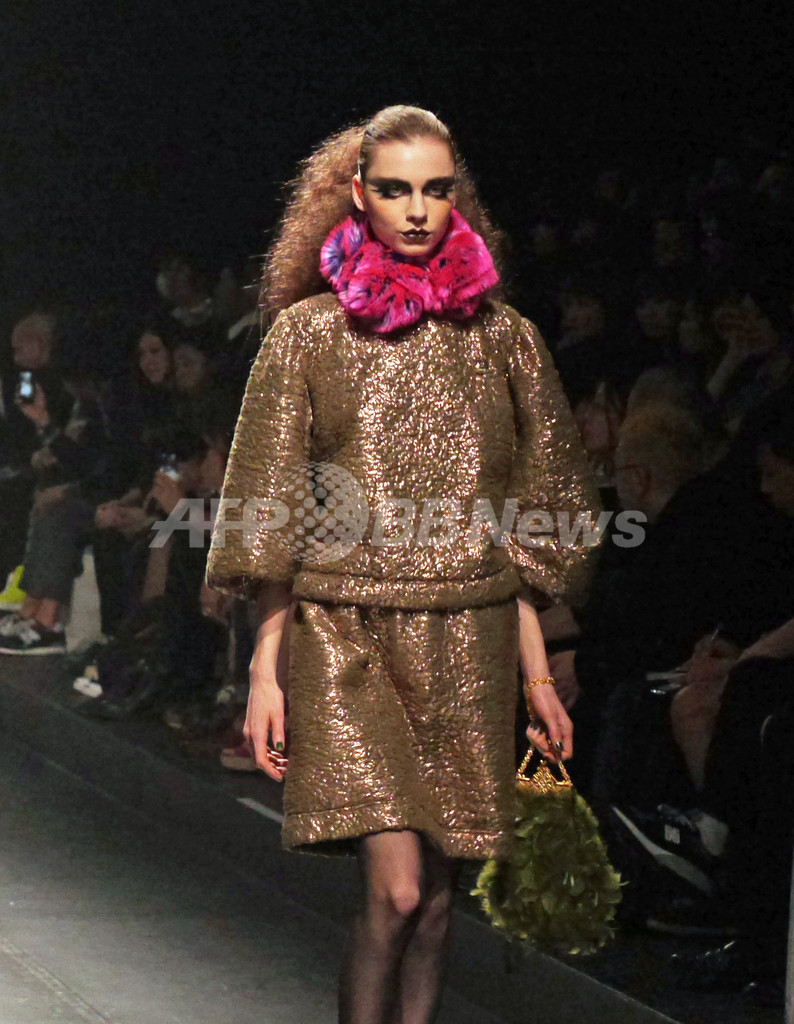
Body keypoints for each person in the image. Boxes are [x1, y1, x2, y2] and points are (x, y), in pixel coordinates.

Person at [206, 105, 599, 1024]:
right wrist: (264, 673)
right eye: (394, 189)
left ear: (457, 195)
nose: (417, 210)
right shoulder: (308, 335)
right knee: (396, 893)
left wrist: (540, 674)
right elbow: (270, 508)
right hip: (347, 640)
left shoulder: (504, 339)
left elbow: (524, 523)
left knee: (439, 908)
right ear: (356, 193)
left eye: (434, 189)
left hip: (470, 641)